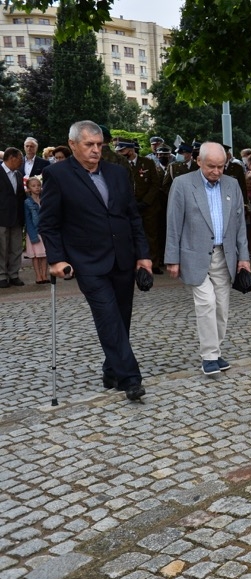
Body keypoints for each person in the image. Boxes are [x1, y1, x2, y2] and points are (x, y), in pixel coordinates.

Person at [39, 120, 152, 401]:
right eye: (89, 145)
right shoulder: (58, 175)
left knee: (121, 319)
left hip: (123, 259)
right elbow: (49, 223)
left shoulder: (116, 173)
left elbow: (132, 217)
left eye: (99, 145)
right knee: (108, 317)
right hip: (87, 262)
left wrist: (144, 256)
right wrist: (56, 259)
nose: (96, 150)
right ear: (73, 144)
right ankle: (130, 378)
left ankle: (111, 370)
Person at [165, 142, 251, 375]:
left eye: (221, 167)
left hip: (225, 255)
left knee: (222, 307)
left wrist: (244, 257)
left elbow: (240, 225)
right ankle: (209, 356)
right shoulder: (182, 184)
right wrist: (172, 258)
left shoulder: (232, 185)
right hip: (194, 255)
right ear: (199, 161)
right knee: (206, 303)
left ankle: (216, 350)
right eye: (211, 166)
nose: (216, 172)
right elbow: (173, 224)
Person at [117, 140, 163, 273]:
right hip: (130, 206)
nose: (120, 153)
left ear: (131, 150)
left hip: (148, 206)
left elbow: (155, 184)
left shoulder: (147, 162)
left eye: (122, 151)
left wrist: (145, 202)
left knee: (151, 235)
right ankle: (133, 262)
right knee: (131, 235)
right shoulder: (121, 164)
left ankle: (154, 263)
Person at [0, 148, 26, 288]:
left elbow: (20, 197)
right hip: (2, 217)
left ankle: (14, 274)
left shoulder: (18, 174)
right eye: (20, 159)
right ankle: (2, 275)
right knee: (2, 248)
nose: (21, 162)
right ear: (12, 158)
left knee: (16, 248)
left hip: (16, 217)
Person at [23, 175, 49, 284]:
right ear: (29, 188)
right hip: (34, 231)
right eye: (33, 186)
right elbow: (28, 220)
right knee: (36, 256)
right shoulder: (27, 202)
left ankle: (44, 275)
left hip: (44, 231)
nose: (37, 188)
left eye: (38, 185)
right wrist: (32, 235)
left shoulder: (44, 200)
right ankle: (38, 275)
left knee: (44, 255)